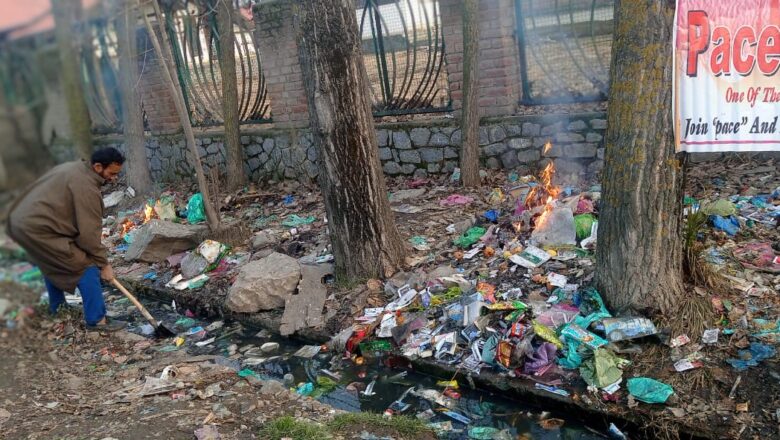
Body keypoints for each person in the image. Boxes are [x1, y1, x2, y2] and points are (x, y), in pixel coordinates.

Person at [7, 148, 127, 331]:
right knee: (85, 265)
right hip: (38, 229)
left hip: (21, 221)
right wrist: (104, 264)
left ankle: (58, 308)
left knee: (53, 261)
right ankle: (97, 320)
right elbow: (88, 237)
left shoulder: (74, 168)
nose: (114, 178)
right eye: (111, 173)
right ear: (97, 167)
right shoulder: (86, 188)